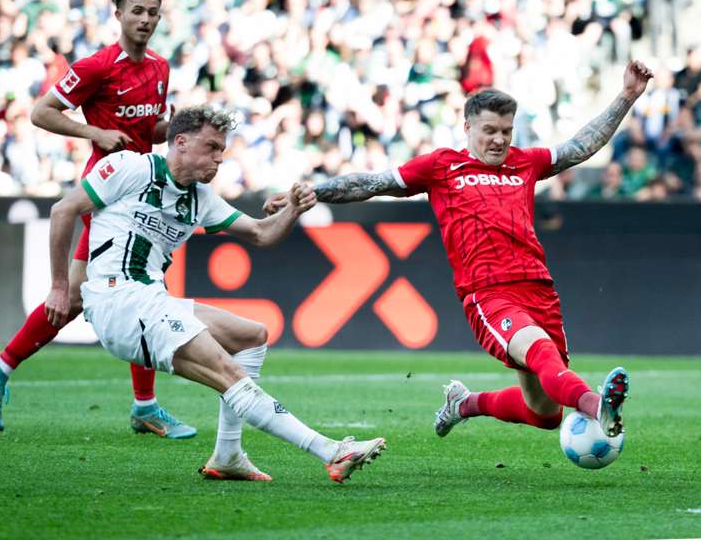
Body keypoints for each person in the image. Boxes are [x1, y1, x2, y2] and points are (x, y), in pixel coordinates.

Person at [266, 61, 654, 443]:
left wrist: (626, 97)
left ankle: (463, 404)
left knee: (546, 414)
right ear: (468, 127)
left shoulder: (525, 163)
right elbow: (373, 182)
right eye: (489, 131)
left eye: (506, 131)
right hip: (489, 292)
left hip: (539, 289)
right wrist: (314, 193)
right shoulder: (442, 167)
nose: (499, 140)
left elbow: (579, 148)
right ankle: (594, 404)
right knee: (540, 352)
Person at [45, 105, 386, 482]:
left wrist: (293, 208)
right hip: (118, 301)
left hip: (150, 300)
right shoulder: (132, 167)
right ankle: (332, 451)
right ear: (180, 142)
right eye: (211, 147)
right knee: (229, 372)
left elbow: (261, 233)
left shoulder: (200, 199)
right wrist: (61, 286)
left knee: (251, 336)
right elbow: (64, 210)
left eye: (222, 149)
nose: (219, 158)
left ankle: (228, 454)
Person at [0, 0, 195, 439]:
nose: (146, 20)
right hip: (107, 194)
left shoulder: (160, 67)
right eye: (137, 11)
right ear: (118, 14)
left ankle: (0, 367)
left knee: (74, 298)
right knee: (142, 290)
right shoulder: (96, 67)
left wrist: (181, 131)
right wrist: (92, 132)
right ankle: (145, 407)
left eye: (152, 12)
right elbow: (41, 111)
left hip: (140, 191)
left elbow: (147, 130)